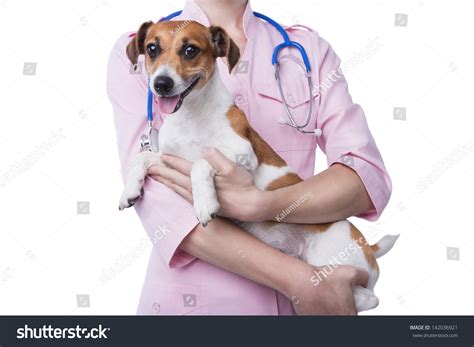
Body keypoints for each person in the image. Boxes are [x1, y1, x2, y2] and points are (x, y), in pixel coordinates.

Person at [106, 0, 392, 315]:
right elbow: (162, 208)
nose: (166, 67)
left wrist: (264, 205)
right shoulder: (132, 48)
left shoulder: (306, 50)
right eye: (155, 53)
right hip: (189, 308)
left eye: (190, 53)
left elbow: (364, 178)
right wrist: (301, 281)